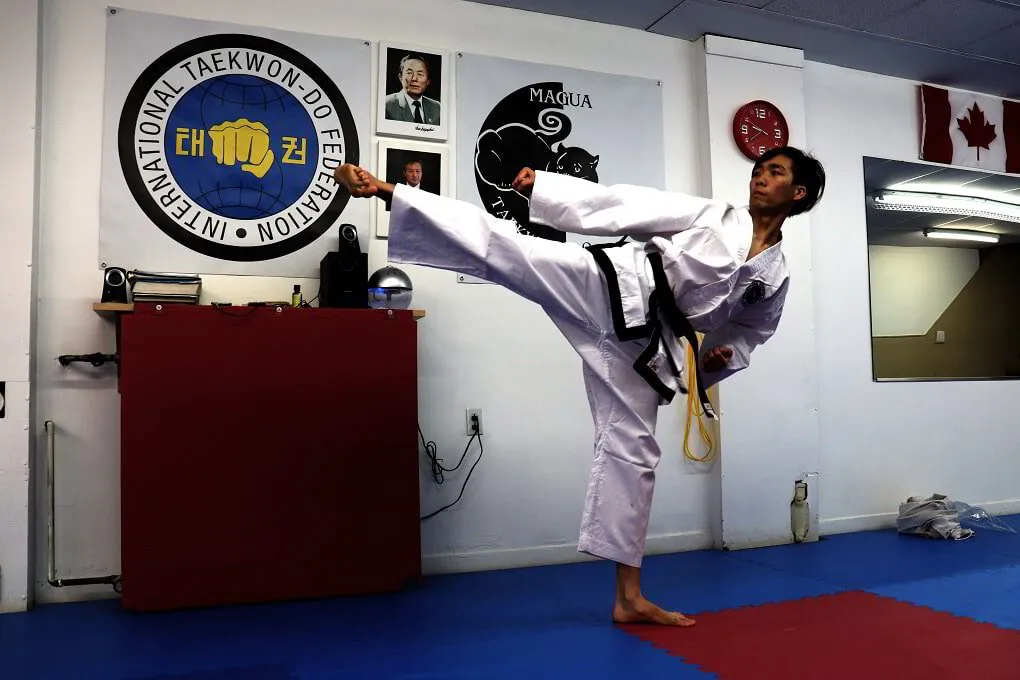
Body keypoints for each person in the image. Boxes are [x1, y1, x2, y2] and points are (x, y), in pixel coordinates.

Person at [333, 147, 825, 627]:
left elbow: (752, 332)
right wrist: (547, 190)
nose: (760, 176)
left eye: (774, 171)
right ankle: (386, 190)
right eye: (759, 168)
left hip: (650, 346)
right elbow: (625, 205)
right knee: (510, 248)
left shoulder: (775, 276)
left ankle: (629, 598)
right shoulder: (715, 217)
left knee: (635, 456)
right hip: (614, 285)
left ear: (796, 193)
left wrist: (720, 355)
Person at [384, 54, 441, 125]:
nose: (414, 79)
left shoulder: (438, 108)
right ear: (400, 77)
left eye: (420, 74)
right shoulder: (386, 105)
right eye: (409, 73)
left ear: (428, 81)